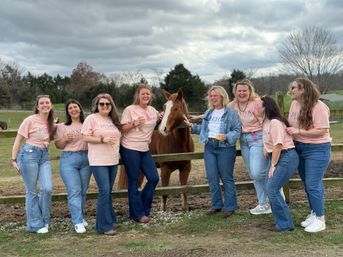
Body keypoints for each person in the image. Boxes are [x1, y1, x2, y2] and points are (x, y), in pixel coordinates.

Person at [185, 85, 241, 218]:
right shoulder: (209, 113)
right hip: (209, 147)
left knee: (226, 178)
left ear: (222, 96)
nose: (213, 98)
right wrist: (192, 127)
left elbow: (237, 130)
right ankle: (216, 205)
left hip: (225, 148)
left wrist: (227, 136)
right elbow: (205, 130)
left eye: (215, 95)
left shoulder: (230, 113)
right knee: (212, 178)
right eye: (211, 96)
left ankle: (230, 207)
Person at [286, 78, 331, 233]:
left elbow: (322, 130)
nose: (290, 90)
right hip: (300, 148)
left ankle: (320, 219)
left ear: (303, 89)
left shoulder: (319, 106)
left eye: (293, 88)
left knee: (313, 183)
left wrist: (299, 132)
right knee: (307, 183)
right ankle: (314, 213)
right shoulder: (294, 104)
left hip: (317, 149)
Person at [11, 95, 55, 233]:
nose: (45, 105)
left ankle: (44, 220)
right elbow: (18, 139)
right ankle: (35, 225)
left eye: (47, 102)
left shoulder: (51, 121)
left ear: (51, 105)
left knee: (47, 189)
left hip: (44, 157)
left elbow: (50, 136)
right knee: (31, 191)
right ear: (37, 106)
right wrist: (13, 159)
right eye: (42, 103)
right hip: (29, 155)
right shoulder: (29, 120)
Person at [228, 79, 271, 215]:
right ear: (235, 92)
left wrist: (267, 141)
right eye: (239, 91)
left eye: (244, 90)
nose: (242, 93)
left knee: (259, 172)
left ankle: (274, 199)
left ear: (250, 91)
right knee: (254, 174)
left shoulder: (257, 103)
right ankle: (264, 204)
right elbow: (216, 113)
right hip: (243, 140)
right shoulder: (232, 106)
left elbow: (267, 121)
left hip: (257, 137)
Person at [256, 96, 299, 232]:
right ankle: (281, 221)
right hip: (278, 157)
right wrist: (265, 150)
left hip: (286, 157)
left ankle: (285, 224)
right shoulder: (266, 122)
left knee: (272, 189)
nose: (254, 108)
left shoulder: (275, 122)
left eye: (257, 105)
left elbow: (278, 144)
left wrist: (273, 165)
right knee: (271, 189)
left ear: (265, 108)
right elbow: (269, 141)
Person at [81, 93, 121, 235]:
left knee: (109, 190)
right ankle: (103, 226)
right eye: (101, 104)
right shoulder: (91, 119)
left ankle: (109, 220)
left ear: (111, 106)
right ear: (97, 106)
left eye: (107, 104)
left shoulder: (113, 119)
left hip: (113, 160)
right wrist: (101, 140)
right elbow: (85, 136)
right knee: (104, 190)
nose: (104, 106)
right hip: (98, 160)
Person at [120, 84, 160, 223]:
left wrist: (161, 116)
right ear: (138, 95)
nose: (145, 96)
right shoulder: (130, 110)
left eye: (148, 94)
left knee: (154, 178)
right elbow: (122, 128)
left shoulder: (153, 110)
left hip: (144, 148)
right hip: (130, 147)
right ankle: (139, 214)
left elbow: (158, 121)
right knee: (134, 180)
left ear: (151, 96)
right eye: (143, 94)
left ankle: (141, 207)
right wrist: (135, 123)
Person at [55, 99, 91, 234]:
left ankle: (80, 216)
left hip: (86, 158)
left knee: (83, 191)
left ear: (80, 109)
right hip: (69, 159)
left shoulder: (87, 124)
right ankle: (77, 222)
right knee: (74, 190)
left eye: (75, 107)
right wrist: (64, 139)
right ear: (67, 111)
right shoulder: (62, 126)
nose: (73, 109)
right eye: (70, 108)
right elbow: (58, 145)